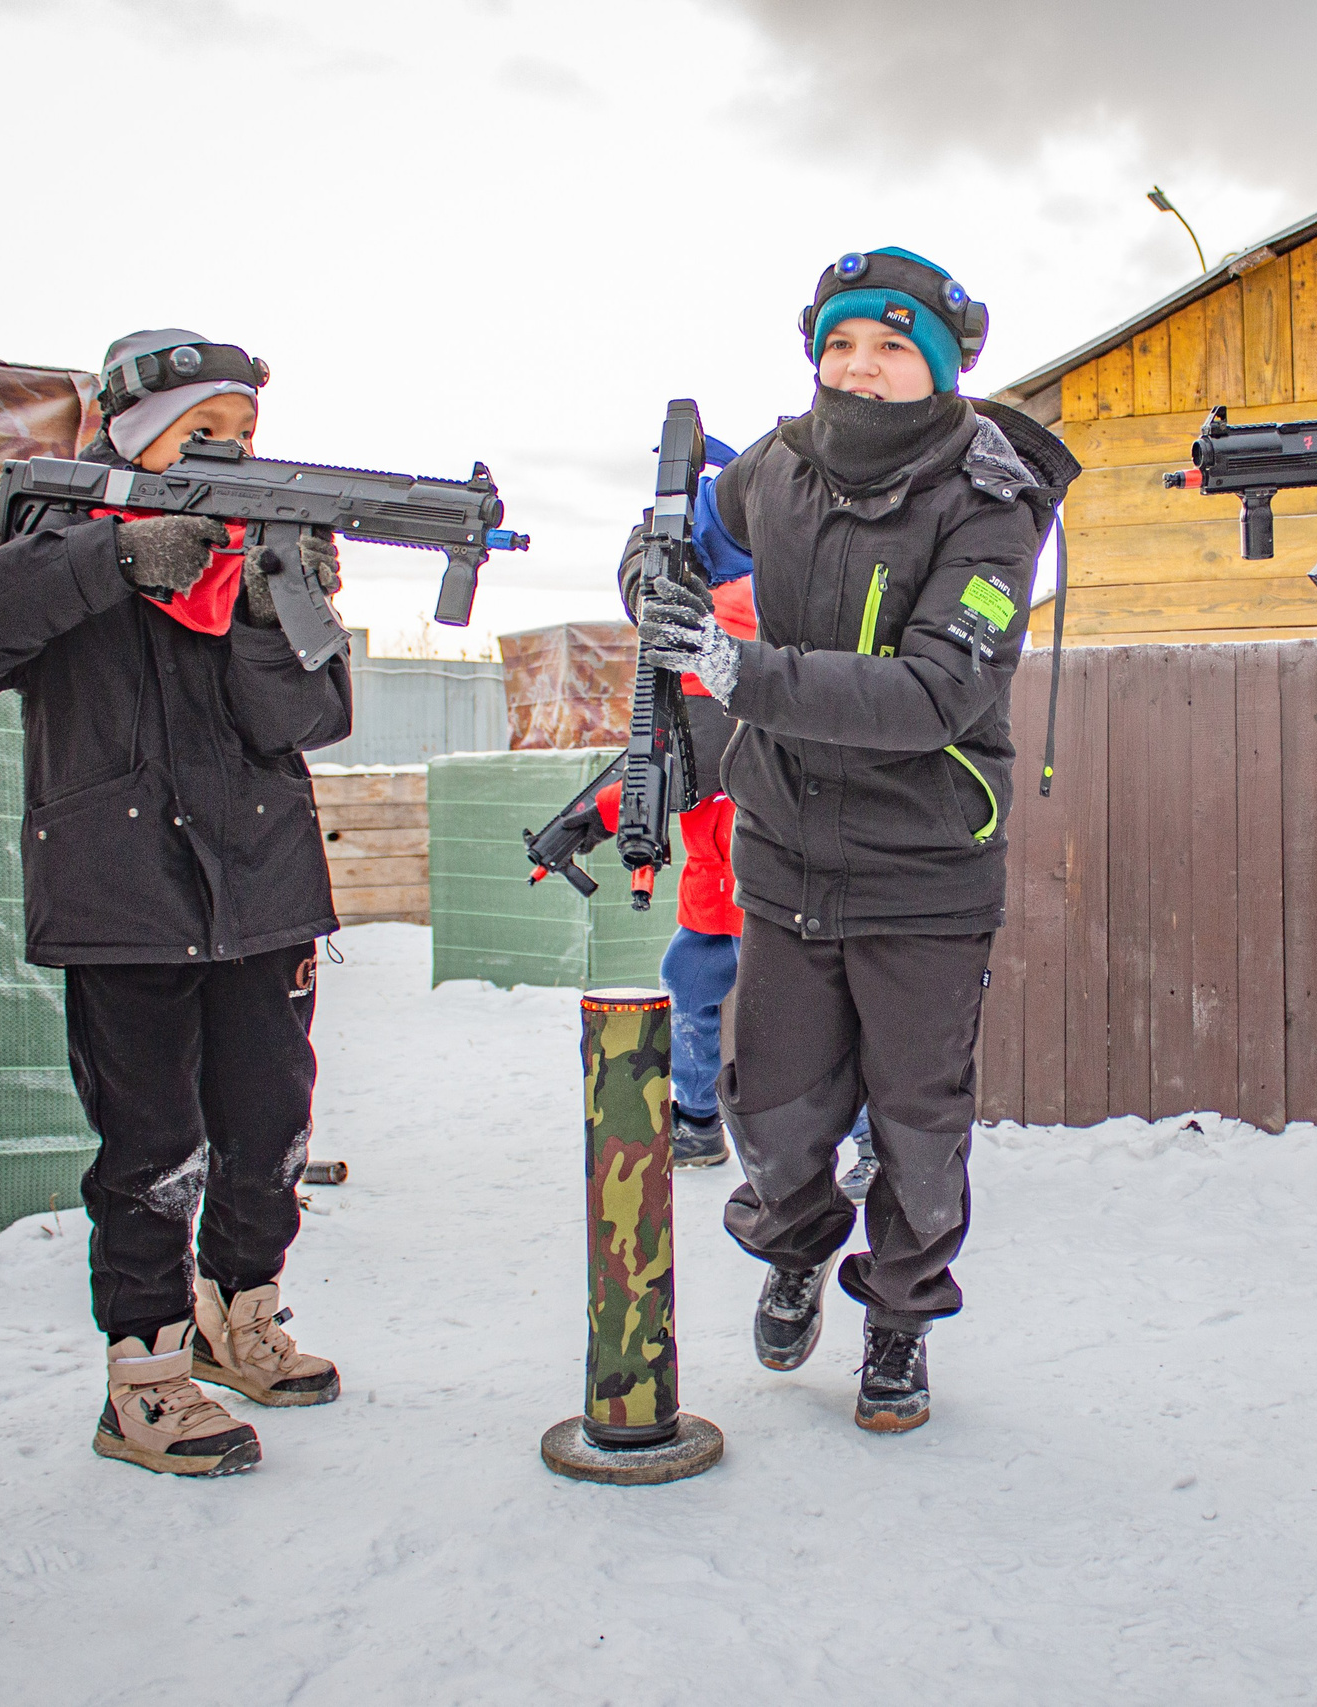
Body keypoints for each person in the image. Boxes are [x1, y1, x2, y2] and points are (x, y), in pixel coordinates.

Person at [630, 246, 1077, 1432]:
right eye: (840, 345)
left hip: (924, 863)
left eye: (890, 348)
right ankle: (792, 1251)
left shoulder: (991, 502)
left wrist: (735, 669)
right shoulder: (778, 466)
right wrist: (650, 575)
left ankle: (898, 1323)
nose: (861, 370)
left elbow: (935, 693)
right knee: (773, 1111)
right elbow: (680, 540)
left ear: (937, 365)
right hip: (785, 851)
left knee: (917, 1124)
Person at [0, 329, 350, 1478]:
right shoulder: (51, 532)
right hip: (123, 894)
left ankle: (235, 1315)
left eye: (244, 435)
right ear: (133, 434)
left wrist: (273, 605)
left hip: (259, 886)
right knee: (151, 1146)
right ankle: (145, 1381)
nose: (228, 451)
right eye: (202, 431)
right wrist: (115, 562)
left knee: (269, 1130)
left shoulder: (263, 551)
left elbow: (308, 723)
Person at [527, 449, 880, 1186]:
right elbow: (664, 765)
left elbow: (690, 751)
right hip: (714, 886)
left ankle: (870, 1136)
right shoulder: (687, 650)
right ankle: (693, 1121)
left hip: (787, 879)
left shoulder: (758, 628)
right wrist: (585, 821)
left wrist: (594, 814)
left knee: (818, 1017)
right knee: (689, 978)